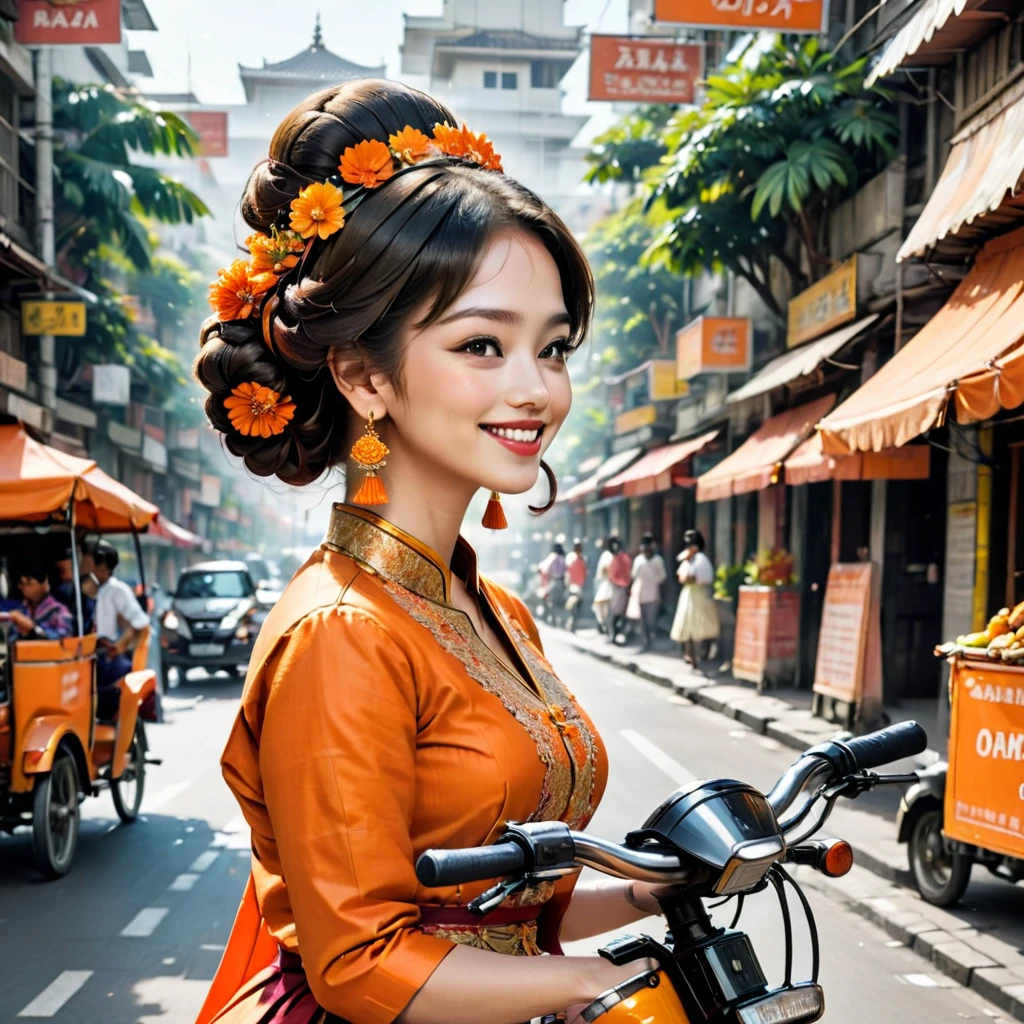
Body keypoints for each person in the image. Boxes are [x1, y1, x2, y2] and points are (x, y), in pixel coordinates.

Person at [192, 80, 666, 1024]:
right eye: (484, 345)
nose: (535, 389)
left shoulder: (492, 611)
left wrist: (661, 887)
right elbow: (362, 962)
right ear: (366, 375)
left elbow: (504, 908)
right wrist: (594, 981)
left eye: (556, 347)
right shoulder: (340, 632)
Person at [93, 542, 150, 719]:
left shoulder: (117, 590)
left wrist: (119, 646)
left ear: (102, 566)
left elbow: (140, 622)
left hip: (105, 659)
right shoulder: (86, 588)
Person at [670, 529, 719, 667]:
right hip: (689, 594)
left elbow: (696, 578)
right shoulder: (688, 560)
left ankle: (702, 652)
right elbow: (681, 577)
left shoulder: (701, 560)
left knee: (702, 625)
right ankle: (691, 655)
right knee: (688, 626)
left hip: (699, 594)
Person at [5, 565, 74, 640]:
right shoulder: (21, 610)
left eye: (29, 584)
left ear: (45, 584)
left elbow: (64, 640)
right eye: (22, 584)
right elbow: (11, 638)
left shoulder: (59, 611)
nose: (24, 588)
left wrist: (33, 629)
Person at [626, 533, 667, 652]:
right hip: (640, 592)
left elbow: (662, 577)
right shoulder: (639, 560)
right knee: (643, 620)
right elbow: (634, 575)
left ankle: (651, 641)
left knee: (651, 619)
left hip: (653, 592)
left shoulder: (657, 560)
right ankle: (645, 641)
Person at [590, 536, 618, 636]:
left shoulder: (617, 556)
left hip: (616, 586)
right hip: (605, 584)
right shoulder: (606, 555)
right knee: (602, 607)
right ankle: (603, 626)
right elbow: (601, 572)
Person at [607, 538, 634, 642]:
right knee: (616, 612)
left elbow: (618, 575)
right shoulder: (619, 558)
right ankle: (614, 634)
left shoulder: (621, 559)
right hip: (619, 588)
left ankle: (615, 634)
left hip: (620, 588)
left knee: (617, 612)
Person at [538, 541, 568, 627]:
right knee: (559, 603)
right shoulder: (563, 558)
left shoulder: (552, 557)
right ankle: (560, 621)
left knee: (552, 602)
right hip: (561, 582)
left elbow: (545, 569)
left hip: (553, 582)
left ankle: (553, 620)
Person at [564, 538, 588, 632]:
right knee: (571, 606)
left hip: (578, 586)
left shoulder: (582, 558)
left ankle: (572, 623)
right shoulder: (572, 557)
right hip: (572, 585)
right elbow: (568, 572)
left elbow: (584, 572)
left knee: (576, 606)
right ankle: (570, 623)